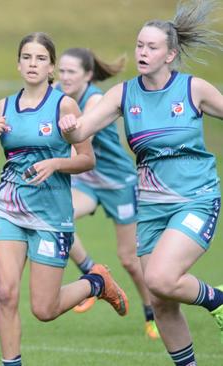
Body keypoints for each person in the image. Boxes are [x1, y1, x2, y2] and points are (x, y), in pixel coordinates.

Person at [58, 1, 223, 364]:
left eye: (151, 47)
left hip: (195, 200)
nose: (142, 52)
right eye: (139, 45)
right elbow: (82, 130)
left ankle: (218, 300)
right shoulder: (123, 94)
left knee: (163, 279)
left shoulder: (193, 89)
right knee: (162, 302)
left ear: (170, 54)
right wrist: (70, 129)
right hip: (151, 208)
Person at [0, 32, 130, 366]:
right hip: (10, 209)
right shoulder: (3, 107)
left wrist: (56, 162)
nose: (32, 64)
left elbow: (87, 159)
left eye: (40, 58)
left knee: (44, 309)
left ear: (51, 67)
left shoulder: (63, 105)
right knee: (5, 293)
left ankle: (96, 282)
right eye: (26, 57)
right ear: (18, 63)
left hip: (51, 214)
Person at [56, 48, 159, 339]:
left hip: (118, 183)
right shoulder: (57, 96)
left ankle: (151, 311)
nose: (64, 77)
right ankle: (93, 273)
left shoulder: (96, 99)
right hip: (86, 180)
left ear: (87, 75)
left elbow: (80, 132)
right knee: (59, 218)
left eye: (71, 72)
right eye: (61, 71)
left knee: (129, 259)